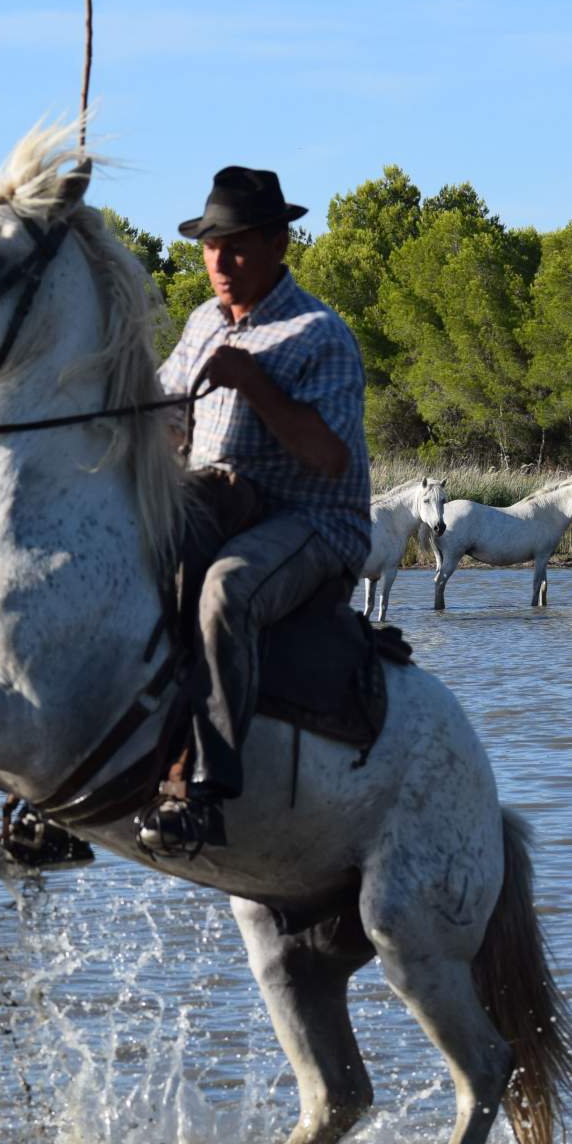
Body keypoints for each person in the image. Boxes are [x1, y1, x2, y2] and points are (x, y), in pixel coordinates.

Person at [138, 165, 372, 856]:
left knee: (225, 590)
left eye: (237, 244)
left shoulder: (319, 333)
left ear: (279, 244)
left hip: (313, 521)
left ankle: (204, 788)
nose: (220, 261)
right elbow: (165, 422)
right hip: (218, 501)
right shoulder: (203, 321)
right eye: (211, 245)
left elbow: (328, 459)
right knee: (125, 548)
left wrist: (256, 382)